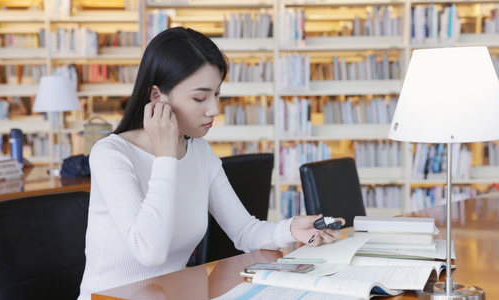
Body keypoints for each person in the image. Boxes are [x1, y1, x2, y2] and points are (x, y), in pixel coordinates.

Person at [77, 26, 345, 299]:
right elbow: (150, 252)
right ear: (157, 96)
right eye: (200, 97)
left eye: (217, 94)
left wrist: (290, 229)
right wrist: (166, 155)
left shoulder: (199, 152)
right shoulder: (111, 154)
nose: (214, 109)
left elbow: (244, 231)